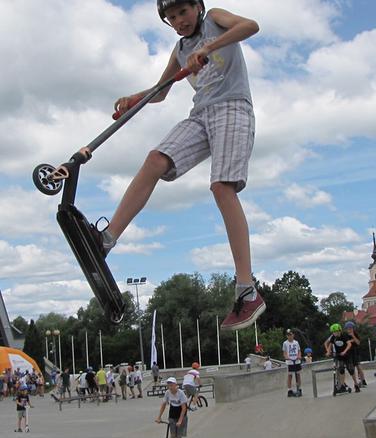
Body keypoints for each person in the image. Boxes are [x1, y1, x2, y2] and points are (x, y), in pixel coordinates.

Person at [91, 0, 263, 332]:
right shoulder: (180, 48)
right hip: (201, 115)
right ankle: (107, 239)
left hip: (232, 108)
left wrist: (210, 46)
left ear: (197, 7)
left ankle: (247, 289)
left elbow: (250, 26)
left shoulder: (214, 19)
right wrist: (134, 97)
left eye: (183, 12)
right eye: (171, 18)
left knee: (221, 186)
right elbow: (160, 92)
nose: (179, 21)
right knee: (155, 159)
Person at [325, 323, 361, 393]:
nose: (334, 333)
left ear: (339, 331)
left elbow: (349, 344)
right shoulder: (333, 337)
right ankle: (342, 385)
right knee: (341, 369)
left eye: (335, 332)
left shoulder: (344, 335)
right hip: (339, 355)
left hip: (347, 355)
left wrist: (344, 351)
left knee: (351, 369)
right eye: (333, 332)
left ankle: (356, 384)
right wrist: (328, 351)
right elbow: (330, 344)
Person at [345, 322, 367, 387]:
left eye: (351, 328)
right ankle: (356, 382)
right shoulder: (345, 335)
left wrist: (353, 336)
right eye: (348, 329)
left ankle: (363, 380)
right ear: (346, 329)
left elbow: (358, 343)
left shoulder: (355, 334)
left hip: (355, 352)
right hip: (349, 353)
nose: (350, 330)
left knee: (358, 366)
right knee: (352, 367)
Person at [282, 329, 303, 397]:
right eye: (288, 335)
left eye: (290, 335)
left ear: (293, 335)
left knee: (298, 375)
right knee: (290, 376)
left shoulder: (296, 342)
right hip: (290, 362)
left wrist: (299, 356)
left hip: (296, 361)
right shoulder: (285, 343)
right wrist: (286, 357)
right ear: (286, 336)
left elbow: (299, 351)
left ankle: (299, 389)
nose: (289, 336)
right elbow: (284, 353)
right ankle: (289, 390)